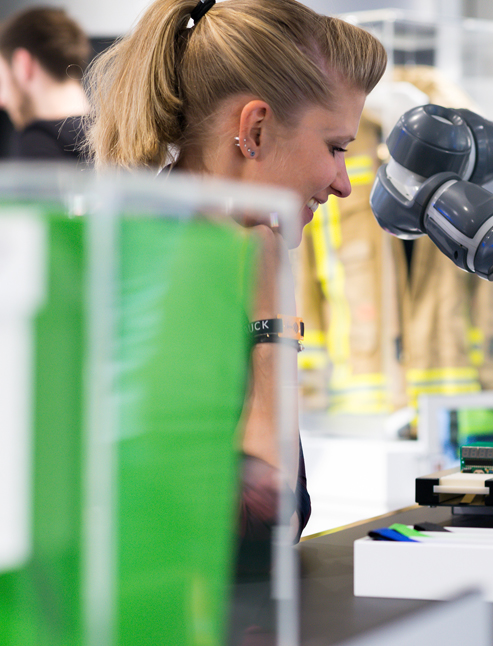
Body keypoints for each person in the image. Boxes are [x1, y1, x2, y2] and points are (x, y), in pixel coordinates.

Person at [83, 0, 386, 565]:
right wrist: (273, 320)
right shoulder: (151, 278)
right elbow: (261, 529)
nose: (344, 183)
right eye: (336, 148)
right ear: (256, 128)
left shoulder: (209, 257)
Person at [0, 7, 91, 160]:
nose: (2, 101)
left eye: (2, 83)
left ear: (23, 65)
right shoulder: (119, 137)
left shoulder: (35, 142)